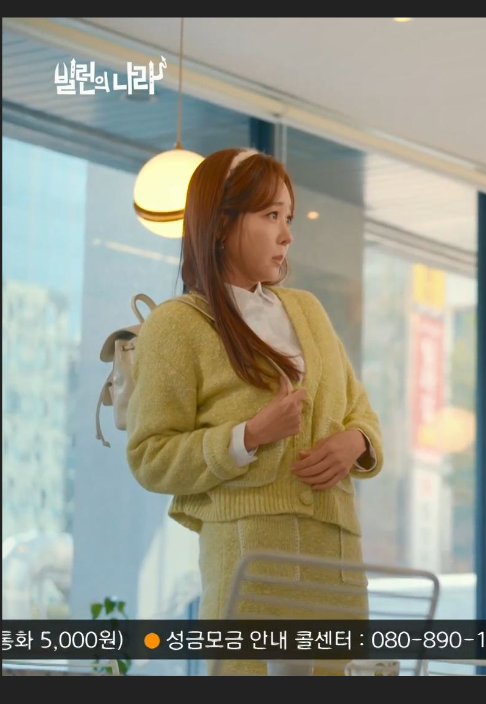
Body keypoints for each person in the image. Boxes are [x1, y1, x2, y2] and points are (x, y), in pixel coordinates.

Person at [125, 147, 383, 675]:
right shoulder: (177, 324)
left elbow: (361, 411)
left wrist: (355, 442)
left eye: (289, 217)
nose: (287, 234)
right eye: (271, 215)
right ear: (221, 223)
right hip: (249, 562)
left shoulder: (308, 309)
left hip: (335, 556)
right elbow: (150, 456)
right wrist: (247, 435)